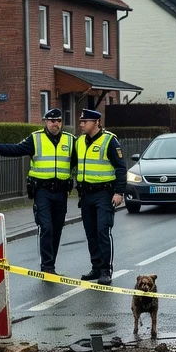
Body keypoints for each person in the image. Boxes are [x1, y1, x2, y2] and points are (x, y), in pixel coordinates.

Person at [0, 108, 73, 274]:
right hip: (42, 191)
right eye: (52, 121)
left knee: (57, 229)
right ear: (46, 122)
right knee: (46, 227)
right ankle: (47, 267)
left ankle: (51, 263)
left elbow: (81, 160)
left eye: (59, 121)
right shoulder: (36, 138)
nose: (56, 124)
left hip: (61, 191)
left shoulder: (70, 140)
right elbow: (16, 149)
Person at [73, 109, 126, 285]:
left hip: (104, 194)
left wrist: (119, 192)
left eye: (85, 121)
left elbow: (120, 167)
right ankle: (96, 267)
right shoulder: (80, 141)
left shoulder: (109, 140)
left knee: (103, 231)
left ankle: (105, 270)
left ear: (97, 122)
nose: (82, 124)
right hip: (86, 194)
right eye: (81, 121)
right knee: (91, 233)